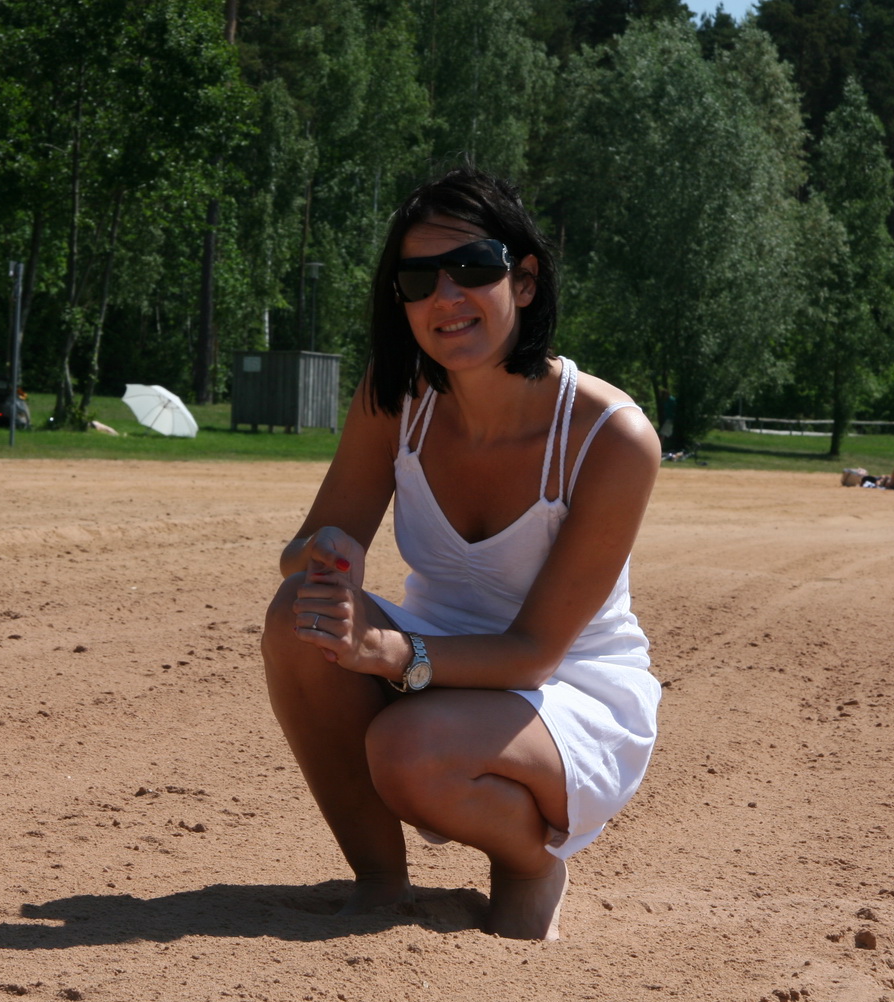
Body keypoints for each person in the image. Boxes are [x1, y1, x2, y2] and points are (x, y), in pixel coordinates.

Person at [261, 169, 662, 941]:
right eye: (419, 280)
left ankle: (529, 863)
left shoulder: (612, 437)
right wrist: (324, 554)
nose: (446, 296)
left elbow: (532, 653)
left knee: (409, 748)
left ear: (525, 279)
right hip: (435, 657)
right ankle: (380, 881)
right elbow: (300, 554)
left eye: (473, 267)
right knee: (295, 619)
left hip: (567, 686)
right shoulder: (395, 396)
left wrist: (386, 652)